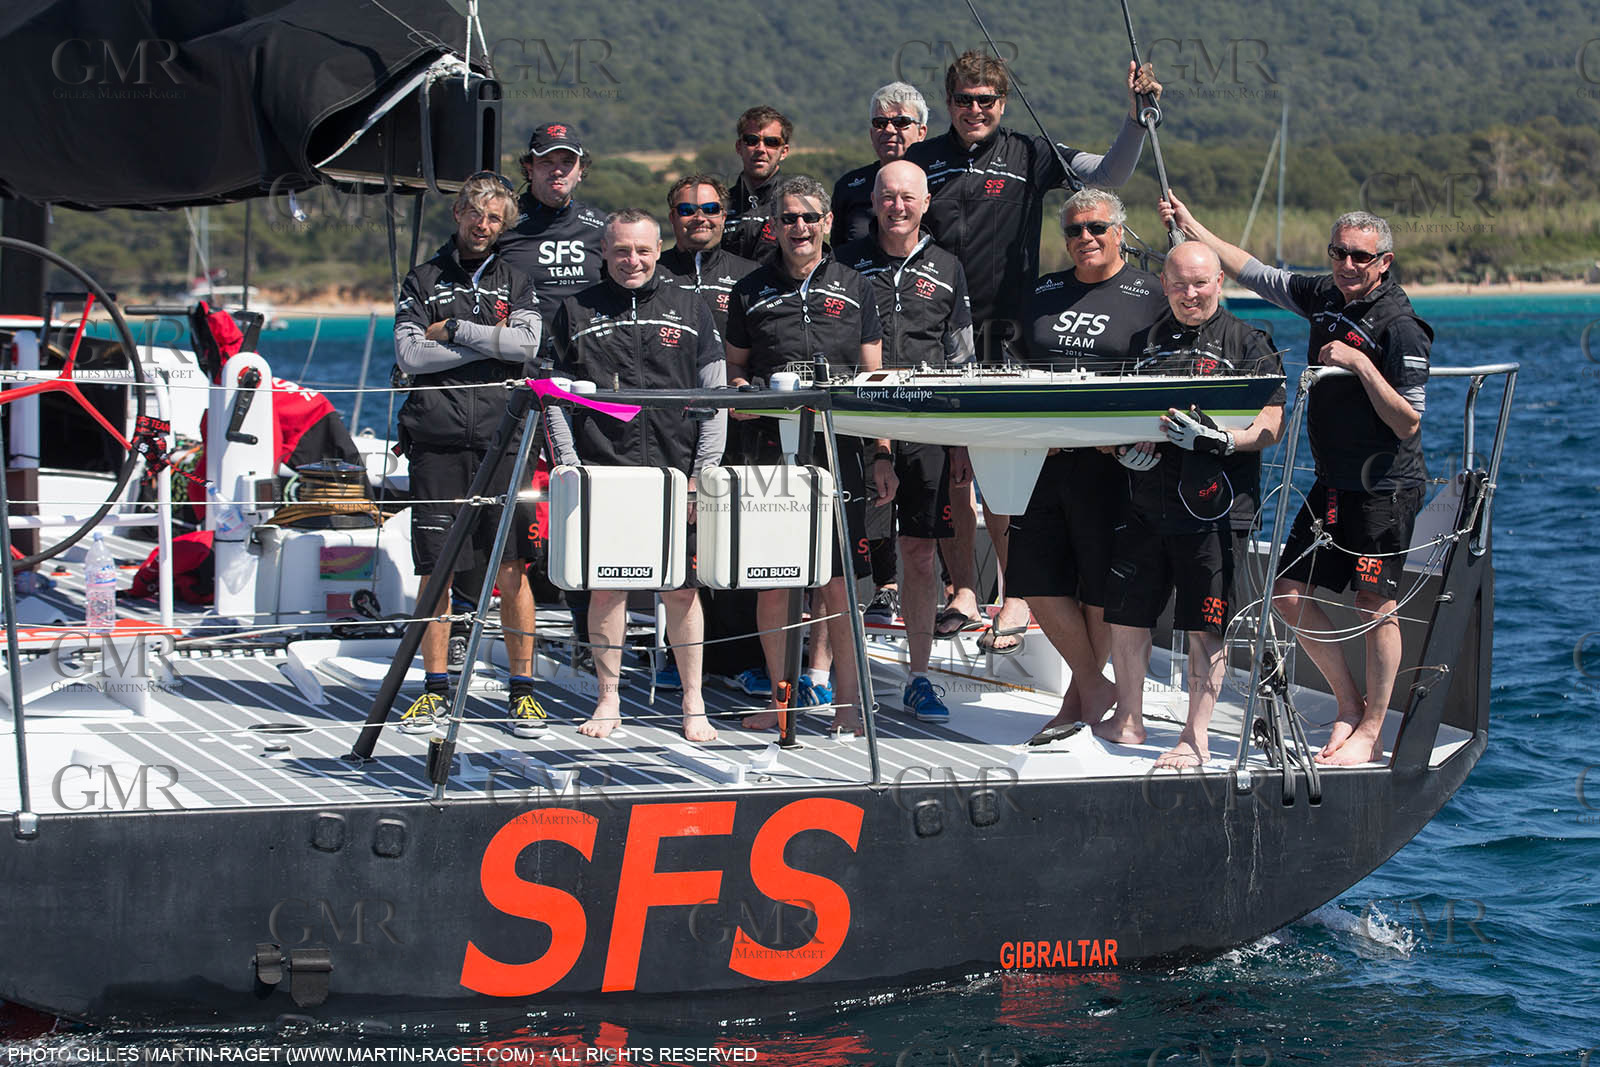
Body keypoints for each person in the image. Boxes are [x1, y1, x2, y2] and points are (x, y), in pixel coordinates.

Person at [1159, 192, 1431, 766]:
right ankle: (1348, 704)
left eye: (1362, 257)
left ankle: (1373, 728)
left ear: (1384, 261)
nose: (1348, 265)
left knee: (1374, 604)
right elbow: (1252, 270)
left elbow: (1407, 421)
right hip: (1332, 481)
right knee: (1286, 594)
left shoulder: (1401, 326)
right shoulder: (1324, 295)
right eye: (1340, 253)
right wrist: (1191, 225)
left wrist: (1359, 364)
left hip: (1385, 487)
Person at [906, 50, 1160, 658]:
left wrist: (1134, 117)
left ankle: (1016, 593)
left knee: (999, 464)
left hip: (1007, 328)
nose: (975, 110)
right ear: (949, 104)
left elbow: (1112, 177)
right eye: (964, 100)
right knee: (946, 469)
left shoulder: (1029, 151)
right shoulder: (920, 161)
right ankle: (964, 589)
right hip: (933, 325)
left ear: (1003, 103)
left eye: (986, 101)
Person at [1093, 241, 1285, 767]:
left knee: (1207, 623)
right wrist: (1120, 448)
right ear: (1165, 286)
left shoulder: (1250, 341)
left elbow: (1271, 425)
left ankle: (1193, 738)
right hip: (1144, 502)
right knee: (1127, 615)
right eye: (1177, 285)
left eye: (1199, 283)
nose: (1189, 294)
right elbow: (1113, 419)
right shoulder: (1142, 341)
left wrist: (1225, 440)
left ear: (1220, 282)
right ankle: (1129, 719)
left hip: (1216, 508)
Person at [545, 209, 727, 743]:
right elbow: (553, 396)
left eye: (643, 251)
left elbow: (715, 398)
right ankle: (609, 698)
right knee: (607, 591)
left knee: (683, 592)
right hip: (606, 473)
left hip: (677, 472)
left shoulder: (690, 307)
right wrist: (569, 464)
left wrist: (704, 474)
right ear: (604, 252)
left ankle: (694, 702)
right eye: (622, 251)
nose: (633, 261)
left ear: (658, 249)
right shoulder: (574, 310)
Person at [725, 175, 891, 735]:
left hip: (840, 451)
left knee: (840, 582)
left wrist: (885, 453)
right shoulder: (748, 290)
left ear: (827, 222)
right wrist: (741, 396)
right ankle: (782, 706)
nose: (799, 227)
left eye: (809, 217)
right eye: (788, 218)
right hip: (771, 453)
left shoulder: (856, 286)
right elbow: (736, 370)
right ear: (774, 226)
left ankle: (849, 705)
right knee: (777, 580)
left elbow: (877, 377)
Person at [1007, 188, 1167, 739]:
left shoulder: (1151, 293)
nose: (1086, 239)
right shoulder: (1042, 292)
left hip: (1114, 466)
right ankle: (1093, 684)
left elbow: (1173, 373)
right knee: (1033, 578)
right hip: (1043, 458)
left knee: (1098, 586)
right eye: (1074, 230)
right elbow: (1012, 373)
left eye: (1097, 228)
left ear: (1120, 231)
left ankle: (1078, 700)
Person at [393, 172, 545, 737]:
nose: (483, 226)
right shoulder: (423, 278)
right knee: (436, 571)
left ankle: (522, 692)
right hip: (436, 444)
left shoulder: (519, 281)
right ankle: (434, 692)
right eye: (475, 214)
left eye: (494, 218)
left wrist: (455, 330)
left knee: (511, 569)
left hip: (504, 441)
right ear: (457, 213)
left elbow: (526, 346)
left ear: (503, 224)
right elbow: (410, 356)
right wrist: (490, 341)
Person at [837, 160, 974, 723]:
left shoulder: (948, 268)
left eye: (908, 197)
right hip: (855, 428)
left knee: (920, 552)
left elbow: (963, 359)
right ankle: (831, 675)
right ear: (873, 200)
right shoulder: (842, 264)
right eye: (887, 196)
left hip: (927, 429)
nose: (897, 206)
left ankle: (919, 675)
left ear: (925, 202)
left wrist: (962, 442)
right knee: (840, 557)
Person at [657, 174, 768, 697]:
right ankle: (675, 655)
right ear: (671, 217)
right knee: (677, 548)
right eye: (686, 209)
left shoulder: (751, 275)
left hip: (740, 427)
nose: (698, 217)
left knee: (735, 544)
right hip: (673, 432)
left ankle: (741, 656)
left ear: (726, 216)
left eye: (709, 208)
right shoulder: (653, 274)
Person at [499, 122, 607, 334]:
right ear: (529, 168)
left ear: (580, 170)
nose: (557, 171)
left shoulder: (602, 226)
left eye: (567, 162)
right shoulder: (503, 222)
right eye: (546, 162)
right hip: (521, 358)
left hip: (586, 358)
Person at [830, 82, 929, 248]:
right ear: (871, 133)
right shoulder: (848, 186)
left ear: (921, 132)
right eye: (880, 123)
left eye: (900, 122)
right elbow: (837, 254)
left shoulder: (940, 180)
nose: (889, 129)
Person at [723, 106, 791, 261]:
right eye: (752, 140)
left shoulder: (798, 205)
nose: (761, 149)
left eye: (771, 142)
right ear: (739, 147)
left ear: (784, 151)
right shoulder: (717, 206)